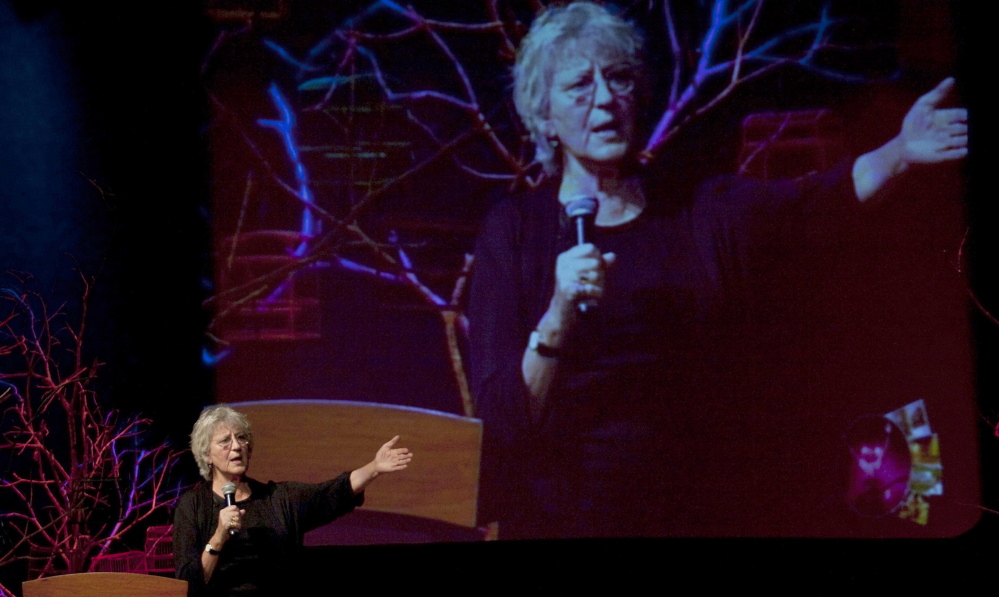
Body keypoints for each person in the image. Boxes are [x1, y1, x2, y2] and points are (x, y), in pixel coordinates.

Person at [467, 1, 967, 538]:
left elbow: (813, 203)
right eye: (580, 86)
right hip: (562, 519)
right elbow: (501, 421)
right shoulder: (516, 231)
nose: (606, 100)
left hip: (696, 511)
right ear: (545, 117)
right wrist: (559, 314)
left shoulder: (698, 211)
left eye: (618, 79)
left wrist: (901, 151)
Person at [173, 404, 412, 596]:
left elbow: (331, 493)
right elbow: (188, 583)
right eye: (225, 441)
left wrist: (374, 468)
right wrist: (218, 537)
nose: (236, 446)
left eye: (242, 438)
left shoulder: (278, 498)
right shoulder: (193, 506)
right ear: (207, 455)